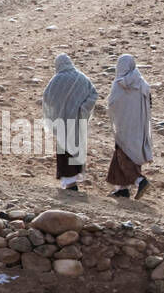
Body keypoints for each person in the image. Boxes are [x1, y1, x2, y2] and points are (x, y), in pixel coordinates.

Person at [42, 54, 98, 192]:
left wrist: (58, 108)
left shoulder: (55, 80)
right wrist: (82, 109)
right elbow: (93, 94)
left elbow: (47, 98)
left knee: (64, 149)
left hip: (61, 121)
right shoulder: (81, 77)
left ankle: (69, 182)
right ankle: (74, 180)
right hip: (77, 120)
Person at [105, 53, 154, 199]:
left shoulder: (119, 84)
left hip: (124, 125)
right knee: (130, 153)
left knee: (123, 154)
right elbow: (149, 104)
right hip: (139, 125)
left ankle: (140, 180)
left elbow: (112, 103)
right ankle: (122, 189)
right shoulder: (142, 84)